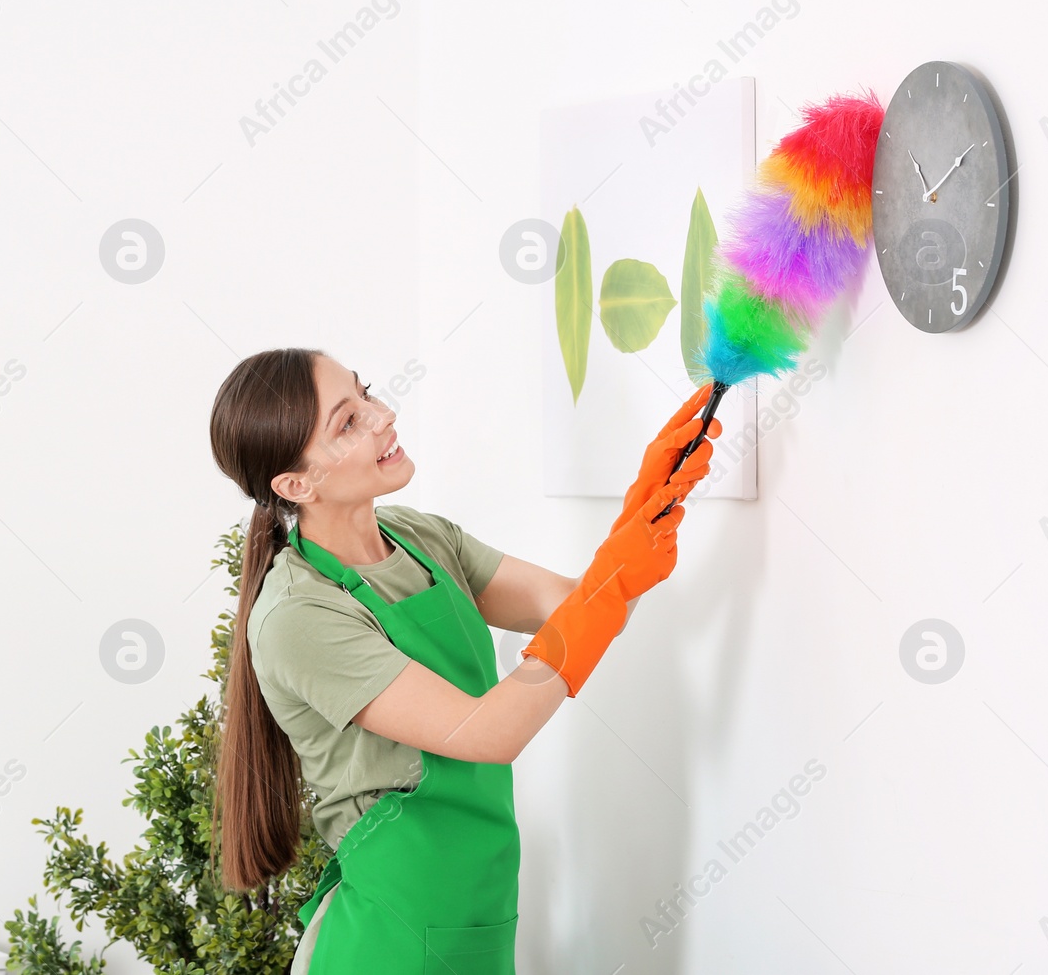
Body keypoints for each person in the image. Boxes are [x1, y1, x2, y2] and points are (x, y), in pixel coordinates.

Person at [208, 347, 720, 974]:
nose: (382, 414)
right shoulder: (299, 614)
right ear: (295, 485)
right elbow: (485, 731)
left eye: (365, 392)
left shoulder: (421, 537)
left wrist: (639, 512)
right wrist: (608, 590)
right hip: (388, 943)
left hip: (475, 914)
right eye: (347, 422)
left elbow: (580, 611)